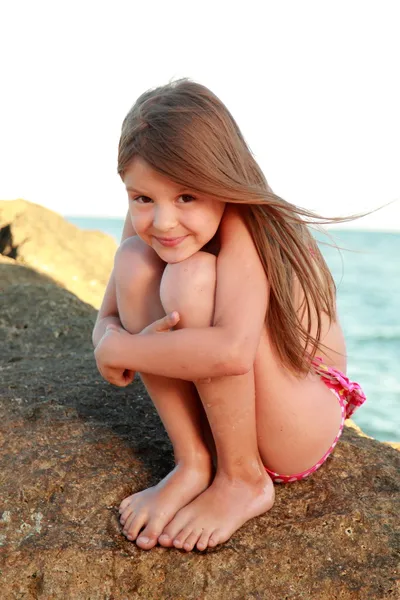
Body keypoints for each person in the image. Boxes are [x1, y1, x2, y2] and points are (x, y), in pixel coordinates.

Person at [92, 78, 367, 553]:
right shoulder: (153, 215)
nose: (162, 221)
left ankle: (242, 479)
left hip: (301, 409)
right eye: (142, 199)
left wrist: (124, 348)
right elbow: (109, 315)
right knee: (135, 261)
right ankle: (194, 461)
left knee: (189, 278)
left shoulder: (248, 221)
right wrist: (107, 341)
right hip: (235, 399)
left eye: (186, 197)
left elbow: (233, 352)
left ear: (220, 180)